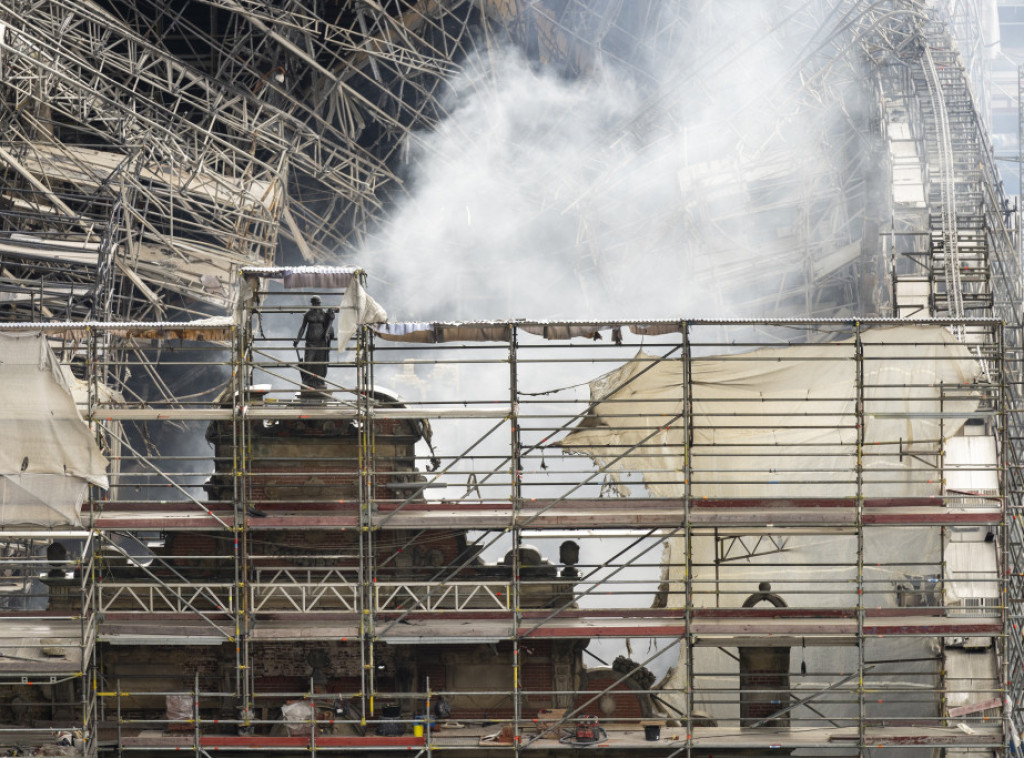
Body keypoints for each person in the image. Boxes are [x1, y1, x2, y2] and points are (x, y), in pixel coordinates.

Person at [294, 295, 334, 388]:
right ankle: (307, 381)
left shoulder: (323, 314)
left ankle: (319, 381)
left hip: (321, 342)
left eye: (319, 303)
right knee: (308, 361)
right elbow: (303, 327)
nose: (317, 305)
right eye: (316, 303)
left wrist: (328, 332)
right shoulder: (308, 314)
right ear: (312, 304)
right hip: (311, 342)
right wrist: (298, 339)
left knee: (320, 362)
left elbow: (329, 325)